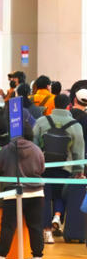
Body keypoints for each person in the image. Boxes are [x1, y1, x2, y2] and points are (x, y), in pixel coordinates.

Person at [0, 125, 46, 259]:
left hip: (13, 192)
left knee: (8, 226)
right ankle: (37, 257)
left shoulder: (6, 149)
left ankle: (1, 257)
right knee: (35, 226)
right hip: (36, 192)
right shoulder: (37, 150)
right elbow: (41, 169)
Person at [33, 94, 85, 243]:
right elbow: (78, 150)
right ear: (68, 105)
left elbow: (34, 144)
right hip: (65, 168)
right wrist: (78, 169)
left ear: (54, 104)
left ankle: (47, 232)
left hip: (44, 167)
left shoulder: (42, 121)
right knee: (60, 195)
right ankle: (57, 216)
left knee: (45, 196)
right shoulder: (75, 125)